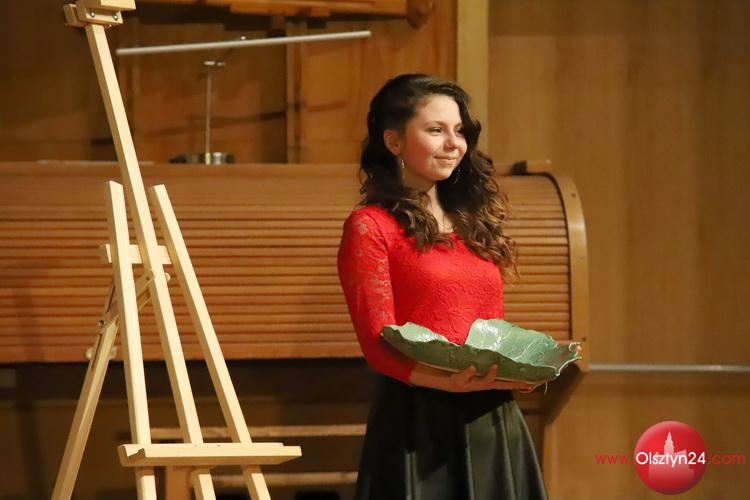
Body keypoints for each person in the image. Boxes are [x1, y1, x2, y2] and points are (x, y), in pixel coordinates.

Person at [336, 74, 548, 500]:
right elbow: (377, 342)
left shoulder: (474, 220)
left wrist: (518, 369)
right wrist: (445, 382)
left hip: (492, 414)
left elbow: (490, 324)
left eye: (459, 131)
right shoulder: (370, 226)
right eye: (436, 130)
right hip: (419, 420)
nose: (454, 144)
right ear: (394, 141)